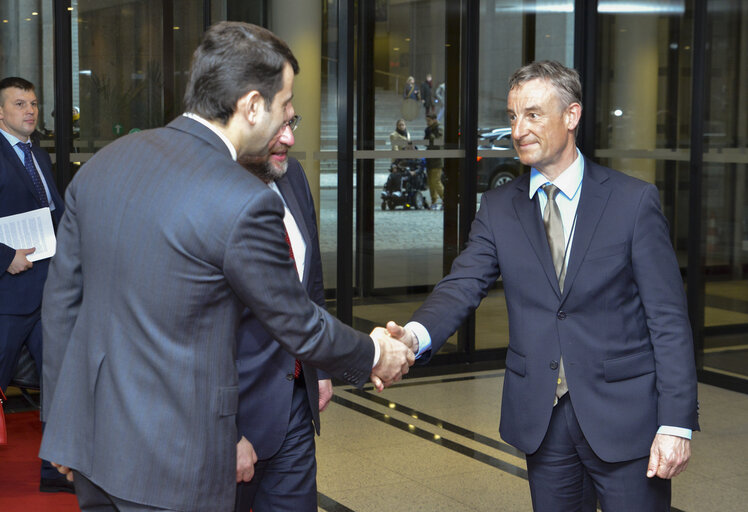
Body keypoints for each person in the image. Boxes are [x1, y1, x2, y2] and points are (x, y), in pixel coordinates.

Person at [39, 22, 413, 512]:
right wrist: (374, 352)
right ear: (253, 105)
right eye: (286, 104)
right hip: (177, 468)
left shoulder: (107, 162)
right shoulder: (242, 198)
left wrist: (62, 428)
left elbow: (62, 307)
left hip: (97, 453)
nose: (291, 117)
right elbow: (297, 323)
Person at [387, 60, 698, 511]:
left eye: (533, 114)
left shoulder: (633, 202)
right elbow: (462, 285)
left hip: (626, 419)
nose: (518, 130)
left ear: (571, 116)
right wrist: (413, 338)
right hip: (543, 420)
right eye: (512, 116)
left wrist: (676, 424)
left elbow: (668, 319)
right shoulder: (498, 208)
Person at [233, 113, 330, 510]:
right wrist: (225, 432)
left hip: (293, 398)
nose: (289, 138)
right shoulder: (210, 187)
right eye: (279, 125)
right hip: (233, 409)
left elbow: (312, 283)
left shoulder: (293, 177)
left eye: (295, 122)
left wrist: (320, 368)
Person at [0, 77, 68, 493]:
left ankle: (55, 471)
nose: (30, 110)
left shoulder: (39, 158)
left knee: (60, 386)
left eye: (34, 103)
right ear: (1, 112)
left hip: (49, 295)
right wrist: (6, 258)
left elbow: (56, 216)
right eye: (19, 103)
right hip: (6, 298)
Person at [424, 113, 444, 209]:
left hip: (437, 159)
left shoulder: (439, 129)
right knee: (431, 182)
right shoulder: (429, 129)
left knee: (436, 181)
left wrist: (431, 135)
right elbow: (426, 143)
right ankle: (434, 201)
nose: (427, 123)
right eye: (426, 121)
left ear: (434, 120)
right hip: (430, 158)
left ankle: (445, 199)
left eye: (429, 121)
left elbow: (439, 143)